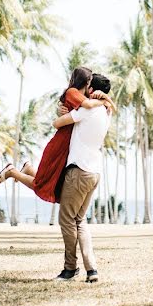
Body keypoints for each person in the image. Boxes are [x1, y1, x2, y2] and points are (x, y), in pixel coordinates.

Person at [0, 67, 112, 202]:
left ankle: (28, 168)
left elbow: (74, 109)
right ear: (85, 83)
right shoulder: (78, 96)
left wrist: (104, 102)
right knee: (44, 186)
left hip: (69, 148)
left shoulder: (87, 103)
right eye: (89, 82)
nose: (90, 87)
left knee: (52, 185)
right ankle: (12, 172)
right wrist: (105, 101)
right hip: (61, 144)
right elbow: (77, 110)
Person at [52, 73, 113, 284]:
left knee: (67, 220)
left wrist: (63, 112)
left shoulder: (87, 110)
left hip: (79, 171)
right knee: (79, 220)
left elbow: (57, 123)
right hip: (94, 172)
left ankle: (70, 269)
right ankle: (92, 269)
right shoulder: (106, 111)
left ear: (90, 89)